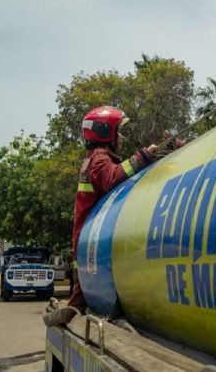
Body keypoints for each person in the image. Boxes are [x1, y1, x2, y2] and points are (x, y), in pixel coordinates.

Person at [68, 106, 158, 311]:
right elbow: (111, 179)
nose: (122, 137)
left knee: (81, 295)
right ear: (105, 132)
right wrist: (143, 156)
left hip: (84, 237)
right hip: (90, 238)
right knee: (80, 299)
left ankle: (73, 314)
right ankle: (71, 316)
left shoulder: (92, 158)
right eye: (118, 131)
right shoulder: (99, 159)